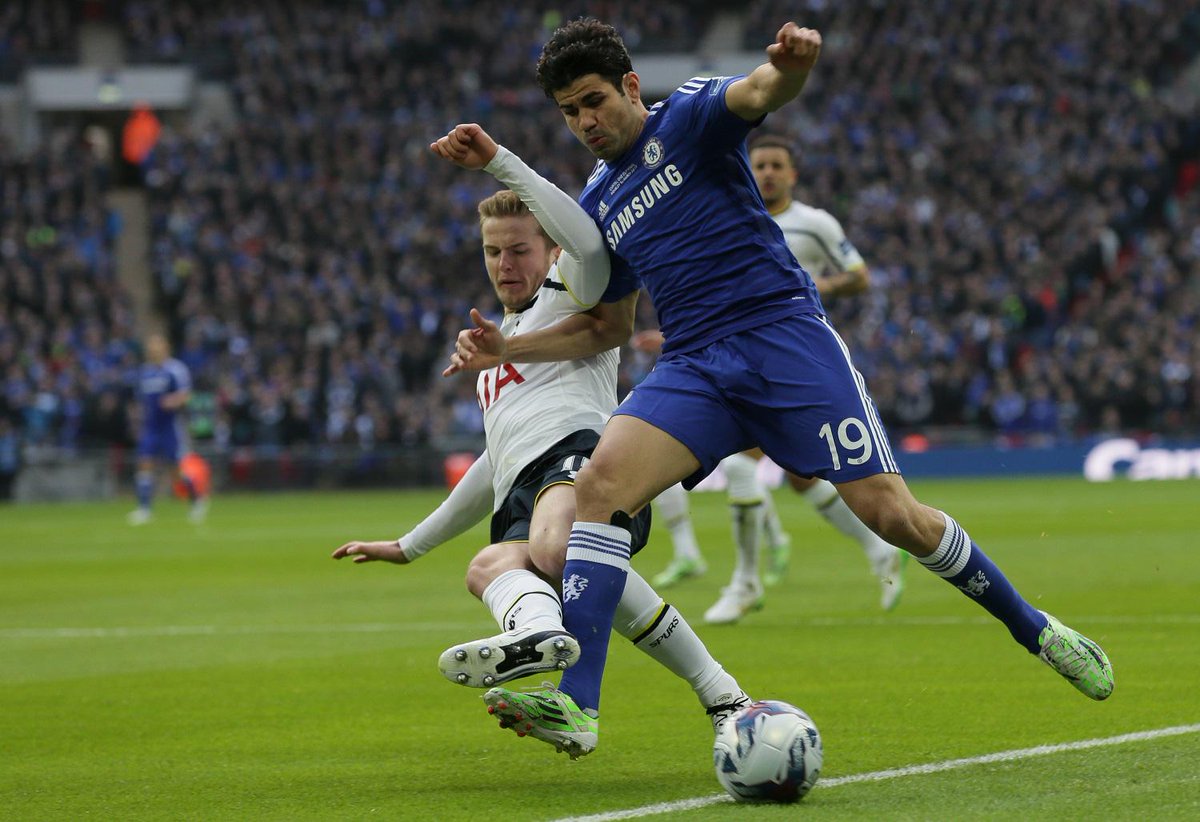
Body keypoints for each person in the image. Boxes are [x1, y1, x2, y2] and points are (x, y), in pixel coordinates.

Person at [440, 18, 1113, 758]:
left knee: (893, 516)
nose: (585, 122)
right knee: (598, 488)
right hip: (695, 363)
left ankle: (1035, 628)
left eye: (594, 101)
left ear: (632, 86)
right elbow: (605, 326)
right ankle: (577, 707)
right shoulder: (598, 203)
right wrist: (512, 345)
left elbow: (762, 90)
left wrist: (793, 66)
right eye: (569, 112)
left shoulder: (690, 117)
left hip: (784, 339)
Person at [335, 146, 749, 760]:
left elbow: (586, 243)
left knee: (558, 548)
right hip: (524, 487)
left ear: (548, 249)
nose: (505, 264)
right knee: (487, 567)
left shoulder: (570, 288)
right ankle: (554, 640)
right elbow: (492, 466)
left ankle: (565, 663)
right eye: (493, 251)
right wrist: (409, 545)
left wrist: (500, 163)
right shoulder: (492, 347)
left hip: (586, 462)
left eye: (520, 248)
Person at [642, 134, 907, 622]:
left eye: (775, 165)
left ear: (792, 174)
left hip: (799, 358)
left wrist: (807, 283)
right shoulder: (729, 215)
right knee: (785, 477)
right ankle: (869, 552)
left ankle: (752, 581)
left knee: (778, 474)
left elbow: (859, 275)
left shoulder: (813, 224)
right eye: (758, 163)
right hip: (742, 359)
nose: (765, 172)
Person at [127, 333, 207, 524]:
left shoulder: (176, 369)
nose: (153, 349)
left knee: (176, 471)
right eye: (151, 346)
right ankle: (144, 509)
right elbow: (142, 400)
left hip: (170, 427)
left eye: (157, 345)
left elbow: (187, 394)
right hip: (150, 427)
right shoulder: (145, 372)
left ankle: (196, 500)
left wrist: (173, 400)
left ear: (165, 347)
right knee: (144, 464)